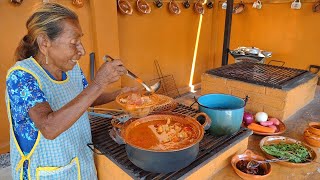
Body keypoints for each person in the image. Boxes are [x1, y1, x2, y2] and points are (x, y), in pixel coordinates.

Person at [5, 3, 131, 180]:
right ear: (44, 42)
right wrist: (99, 83)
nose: (82, 51)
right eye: (74, 43)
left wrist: (122, 94)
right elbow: (49, 127)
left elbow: (86, 98)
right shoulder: (21, 76)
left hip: (81, 161)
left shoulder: (72, 69)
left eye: (80, 41)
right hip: (48, 171)